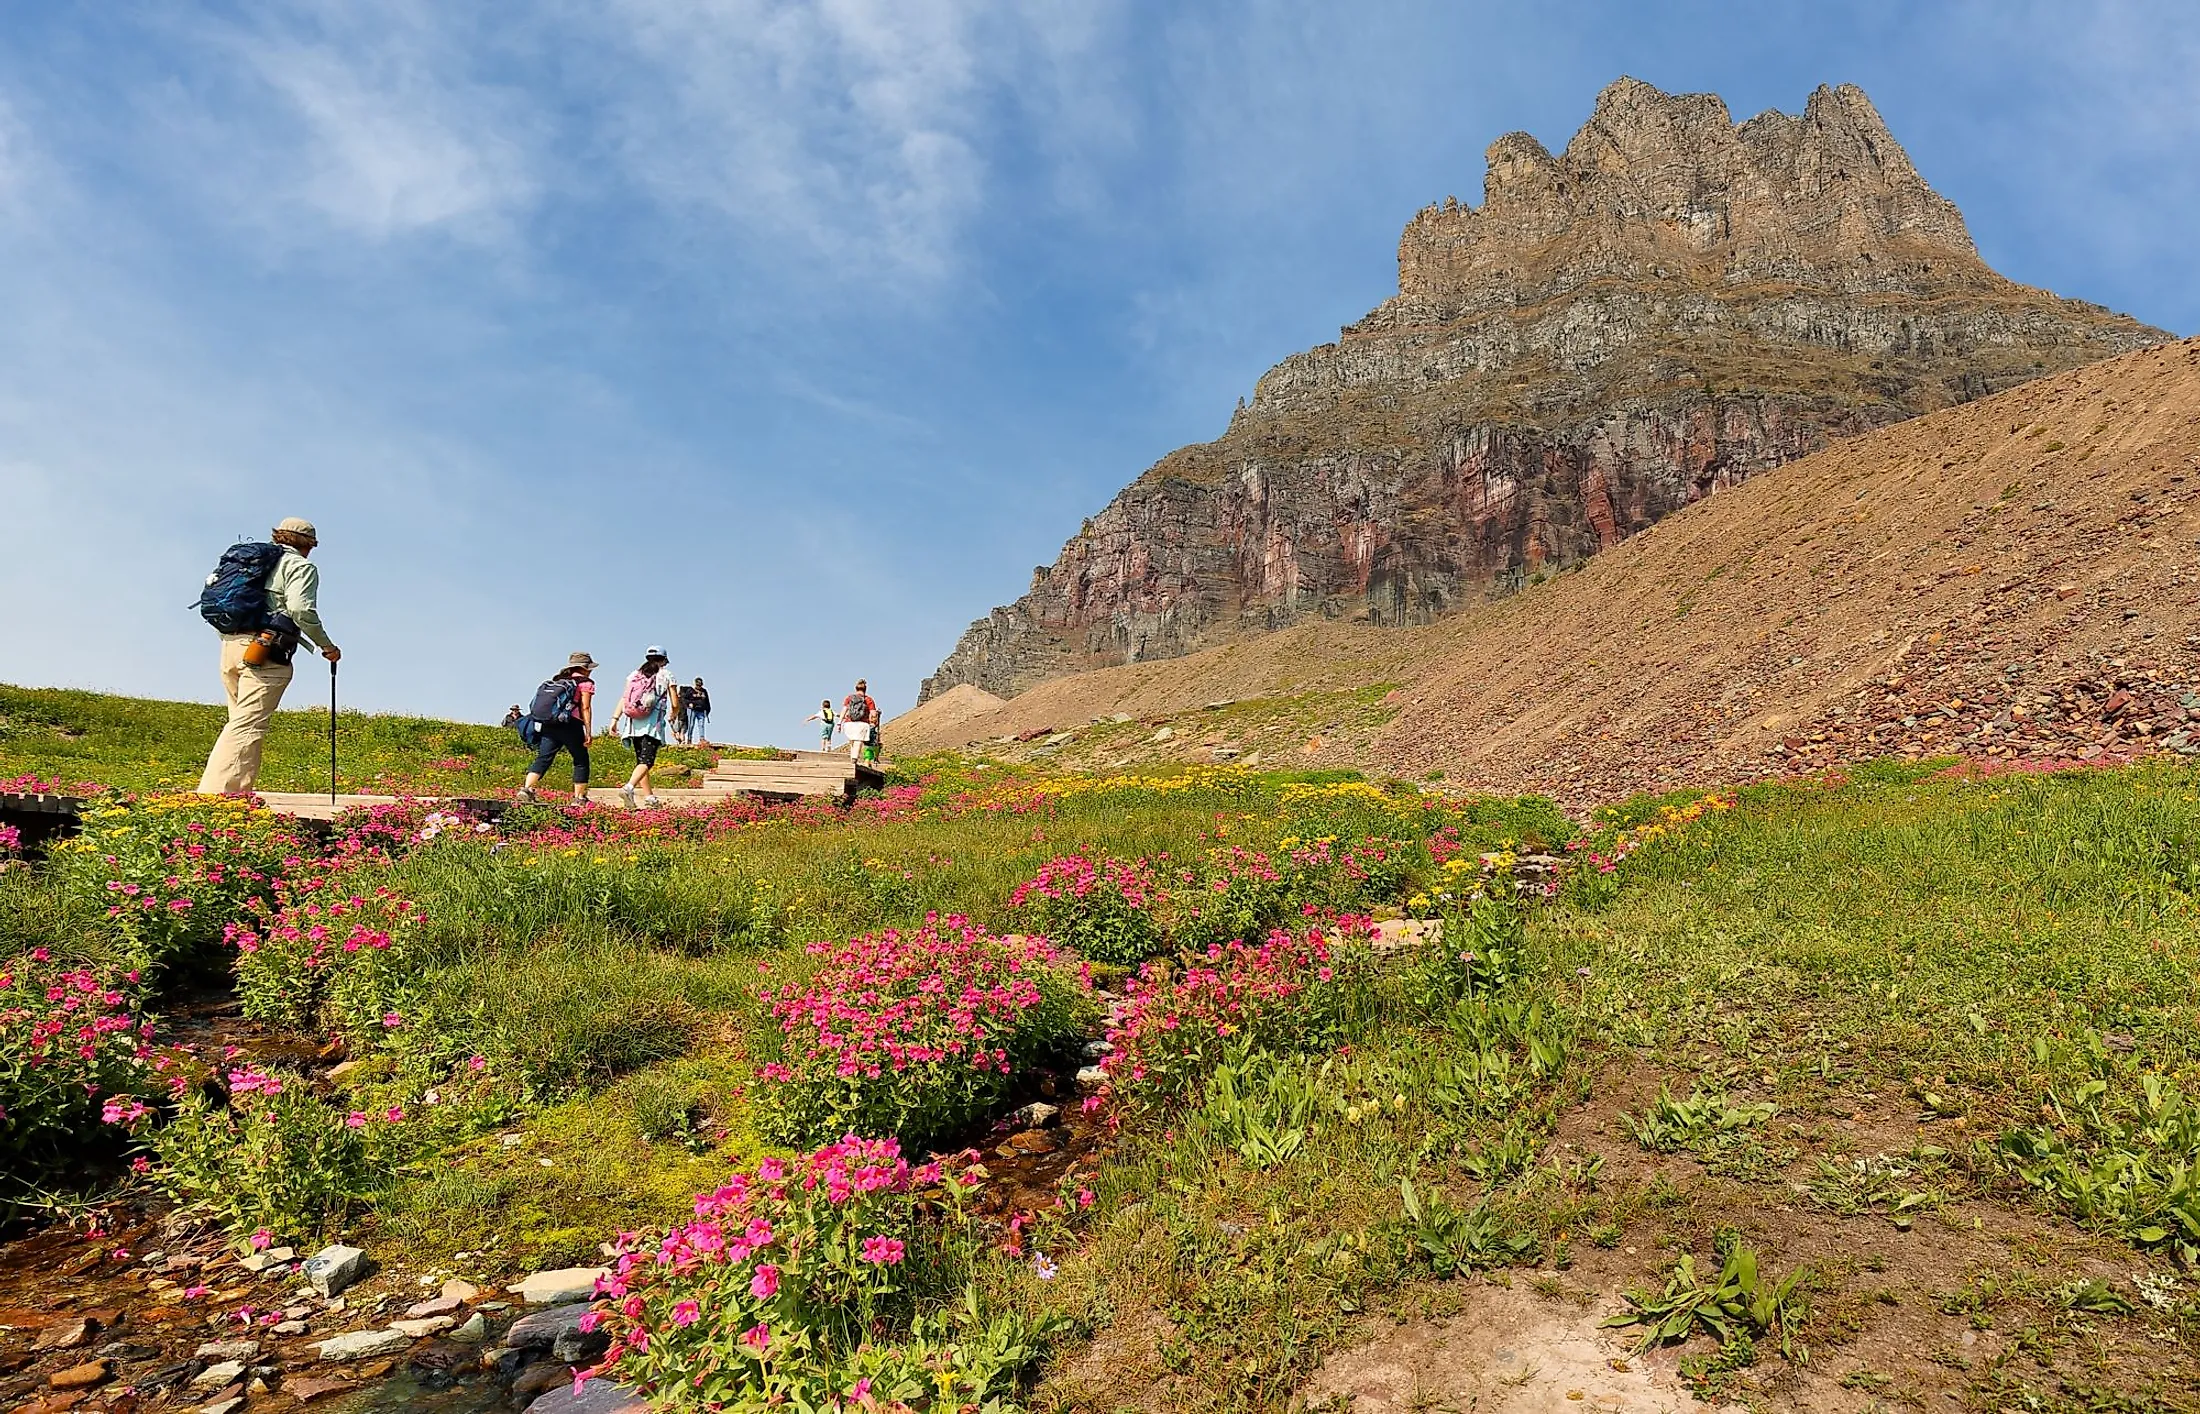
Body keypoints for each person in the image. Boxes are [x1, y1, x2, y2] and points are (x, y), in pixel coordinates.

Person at [197, 517, 340, 795]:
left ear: (278, 537)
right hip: (264, 652)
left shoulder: (252, 561)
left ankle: (235, 793)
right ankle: (217, 798)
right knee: (247, 726)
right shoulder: (300, 565)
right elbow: (300, 609)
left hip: (231, 646)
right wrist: (327, 646)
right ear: (310, 545)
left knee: (239, 722)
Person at [517, 653, 597, 803]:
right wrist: (588, 730)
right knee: (580, 759)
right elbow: (585, 707)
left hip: (550, 724)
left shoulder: (559, 681)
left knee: (544, 757)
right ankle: (579, 798)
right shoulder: (586, 683)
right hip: (571, 724)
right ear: (584, 668)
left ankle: (526, 789)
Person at [616, 646, 677, 809]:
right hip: (652, 724)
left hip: (633, 724)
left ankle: (650, 798)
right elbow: (675, 702)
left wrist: (615, 719)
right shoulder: (666, 675)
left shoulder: (634, 675)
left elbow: (624, 698)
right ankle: (628, 788)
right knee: (647, 762)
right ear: (663, 660)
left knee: (641, 762)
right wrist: (674, 714)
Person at [841, 679, 880, 764]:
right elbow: (873, 714)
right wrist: (875, 718)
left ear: (856, 689)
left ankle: (852, 758)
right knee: (858, 741)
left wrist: (839, 722)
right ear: (865, 689)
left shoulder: (849, 698)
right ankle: (854, 759)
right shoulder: (868, 699)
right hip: (862, 723)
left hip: (849, 723)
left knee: (852, 741)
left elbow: (844, 710)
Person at [686, 678, 712, 748]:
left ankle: (702, 738)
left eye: (700, 685)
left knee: (701, 725)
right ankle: (689, 739)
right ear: (695, 684)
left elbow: (707, 701)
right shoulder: (690, 691)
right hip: (692, 710)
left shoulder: (704, 691)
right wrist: (689, 704)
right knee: (691, 725)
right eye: (698, 685)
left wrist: (708, 710)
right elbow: (685, 699)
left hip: (701, 711)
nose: (699, 687)